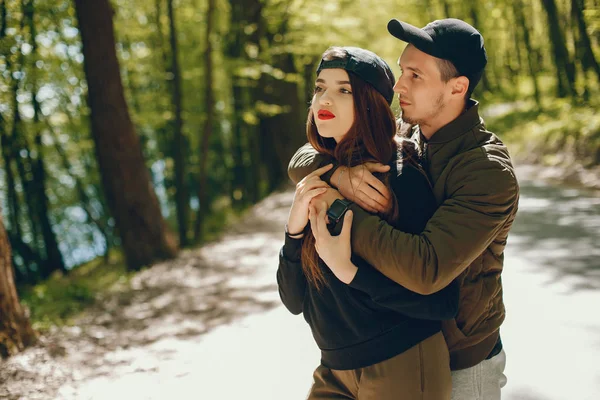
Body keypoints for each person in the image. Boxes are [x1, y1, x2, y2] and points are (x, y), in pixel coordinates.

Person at [288, 19, 520, 400]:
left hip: (463, 360)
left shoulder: (486, 171)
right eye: (400, 71)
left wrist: (335, 206)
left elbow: (426, 268)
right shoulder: (407, 132)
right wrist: (339, 175)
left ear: (457, 87)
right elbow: (306, 152)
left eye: (415, 75)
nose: (398, 86)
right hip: (397, 345)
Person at [277, 46, 459, 399]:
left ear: (370, 103)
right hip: (333, 370)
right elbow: (294, 300)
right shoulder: (321, 177)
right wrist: (293, 231)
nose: (324, 99)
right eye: (319, 88)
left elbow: (442, 303)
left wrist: (351, 273)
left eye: (344, 90)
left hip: (402, 364)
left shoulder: (399, 176)